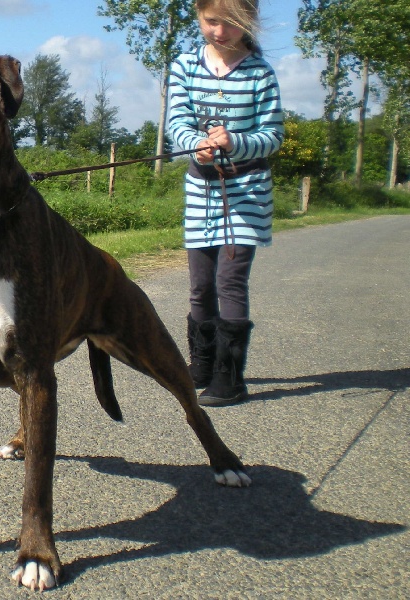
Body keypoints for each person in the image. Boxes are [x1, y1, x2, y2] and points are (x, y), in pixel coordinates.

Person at [167, 0, 284, 406]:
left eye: (230, 24)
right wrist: (194, 146)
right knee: (200, 286)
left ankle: (229, 376)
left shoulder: (260, 72)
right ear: (198, 16)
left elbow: (273, 134)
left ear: (249, 22)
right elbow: (177, 123)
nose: (219, 32)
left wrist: (236, 142)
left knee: (229, 280)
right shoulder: (185, 65)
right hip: (201, 190)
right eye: (211, 21)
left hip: (247, 190)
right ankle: (200, 365)